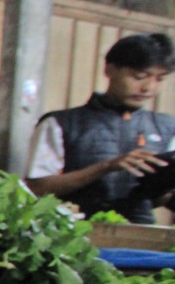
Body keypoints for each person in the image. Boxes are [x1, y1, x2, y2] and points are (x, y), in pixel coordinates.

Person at [25, 32, 175, 224]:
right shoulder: (61, 123)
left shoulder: (167, 127)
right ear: (110, 70)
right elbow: (37, 187)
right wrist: (106, 167)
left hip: (141, 236)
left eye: (160, 79)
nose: (149, 87)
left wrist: (160, 187)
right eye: (139, 76)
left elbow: (161, 197)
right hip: (73, 234)